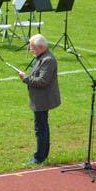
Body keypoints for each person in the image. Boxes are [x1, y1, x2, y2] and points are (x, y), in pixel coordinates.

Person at [17, 34, 60, 165]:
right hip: (40, 99)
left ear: (40, 47)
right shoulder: (41, 57)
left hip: (43, 100)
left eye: (32, 47)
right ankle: (43, 155)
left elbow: (42, 81)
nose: (30, 50)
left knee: (40, 128)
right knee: (42, 126)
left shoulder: (48, 60)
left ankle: (39, 157)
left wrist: (25, 78)